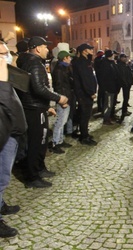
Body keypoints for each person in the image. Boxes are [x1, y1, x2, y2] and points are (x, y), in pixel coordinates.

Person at [16, 36, 69, 188]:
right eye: (45, 47)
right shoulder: (34, 63)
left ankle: (39, 168)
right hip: (34, 108)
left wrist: (47, 106)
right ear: (38, 48)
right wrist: (58, 98)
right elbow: (39, 88)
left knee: (41, 140)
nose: (48, 50)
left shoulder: (27, 61)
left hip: (36, 106)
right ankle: (32, 177)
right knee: (37, 142)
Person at [0, 42, 27, 237]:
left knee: (3, 178)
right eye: (1, 54)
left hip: (11, 133)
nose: (6, 57)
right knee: (1, 179)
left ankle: (0, 204)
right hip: (3, 135)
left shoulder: (6, 73)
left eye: (7, 53)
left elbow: (22, 88)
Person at [49, 51, 74, 154]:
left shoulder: (64, 68)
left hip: (66, 97)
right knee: (60, 122)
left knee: (63, 121)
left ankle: (60, 140)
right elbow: (58, 86)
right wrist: (62, 100)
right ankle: (55, 143)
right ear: (64, 58)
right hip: (63, 98)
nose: (70, 59)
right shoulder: (59, 70)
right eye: (69, 57)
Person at [73, 43, 98, 145]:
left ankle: (84, 133)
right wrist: (90, 92)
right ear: (84, 51)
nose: (92, 50)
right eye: (89, 49)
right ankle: (84, 137)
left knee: (85, 115)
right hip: (84, 94)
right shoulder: (81, 63)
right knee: (85, 115)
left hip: (84, 93)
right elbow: (85, 79)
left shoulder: (85, 61)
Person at [98, 50, 120, 125]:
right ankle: (106, 118)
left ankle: (110, 116)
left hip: (113, 86)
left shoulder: (112, 63)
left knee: (111, 104)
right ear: (110, 56)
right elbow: (104, 77)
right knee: (108, 104)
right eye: (113, 55)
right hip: (109, 87)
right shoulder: (105, 64)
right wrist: (105, 88)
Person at [116, 53, 133, 119]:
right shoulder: (120, 65)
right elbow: (122, 76)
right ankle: (124, 111)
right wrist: (125, 83)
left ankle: (125, 110)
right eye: (124, 57)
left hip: (127, 83)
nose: (125, 58)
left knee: (127, 97)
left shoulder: (125, 65)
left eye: (125, 57)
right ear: (121, 58)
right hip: (125, 84)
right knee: (126, 97)